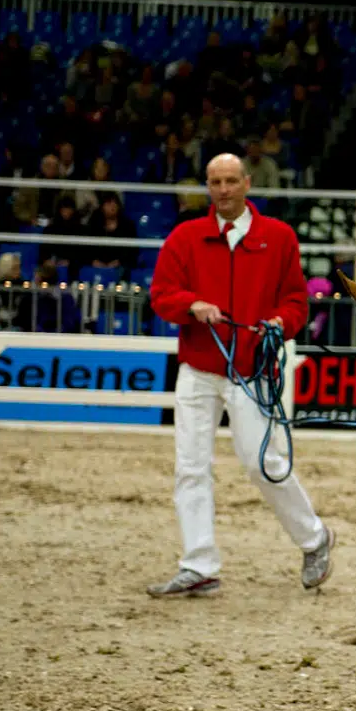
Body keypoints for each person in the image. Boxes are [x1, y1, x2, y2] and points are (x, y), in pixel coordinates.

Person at [145, 154, 336, 597]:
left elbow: (296, 301)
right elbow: (161, 295)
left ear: (247, 183)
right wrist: (191, 305)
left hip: (253, 369)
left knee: (262, 464)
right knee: (190, 467)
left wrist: (280, 323)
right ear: (207, 186)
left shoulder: (279, 237)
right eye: (216, 182)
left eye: (231, 180)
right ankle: (199, 564)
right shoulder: (185, 237)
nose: (224, 189)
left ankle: (315, 538)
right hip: (198, 369)